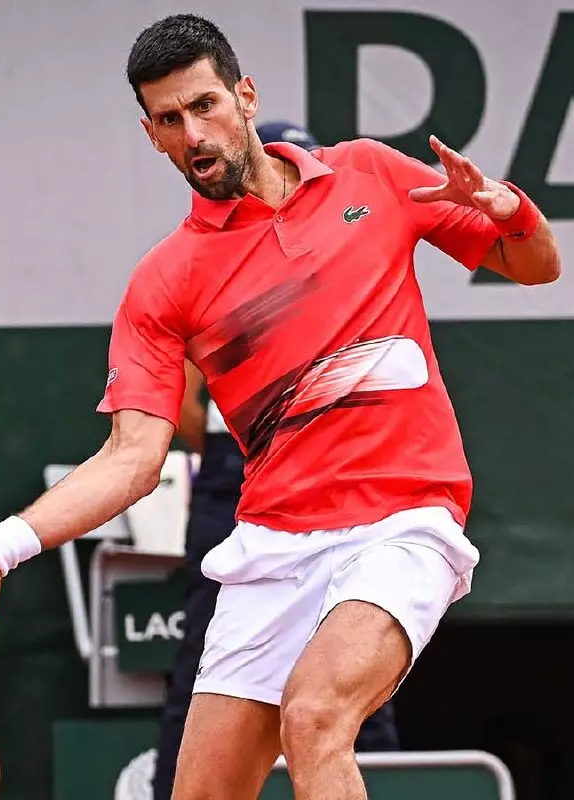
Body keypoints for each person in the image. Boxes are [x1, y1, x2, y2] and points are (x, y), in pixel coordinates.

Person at [0, 13, 560, 800]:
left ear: (245, 96)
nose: (193, 133)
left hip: (402, 519)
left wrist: (513, 215)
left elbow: (536, 267)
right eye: (169, 119)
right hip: (271, 547)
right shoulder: (165, 283)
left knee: (315, 717)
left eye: (205, 106)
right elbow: (131, 459)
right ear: (151, 133)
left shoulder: (371, 176)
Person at [150, 121, 401, 800]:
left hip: (352, 485)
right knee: (211, 664)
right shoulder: (207, 273)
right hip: (242, 484)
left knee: (339, 685)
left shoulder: (345, 257)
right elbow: (184, 404)